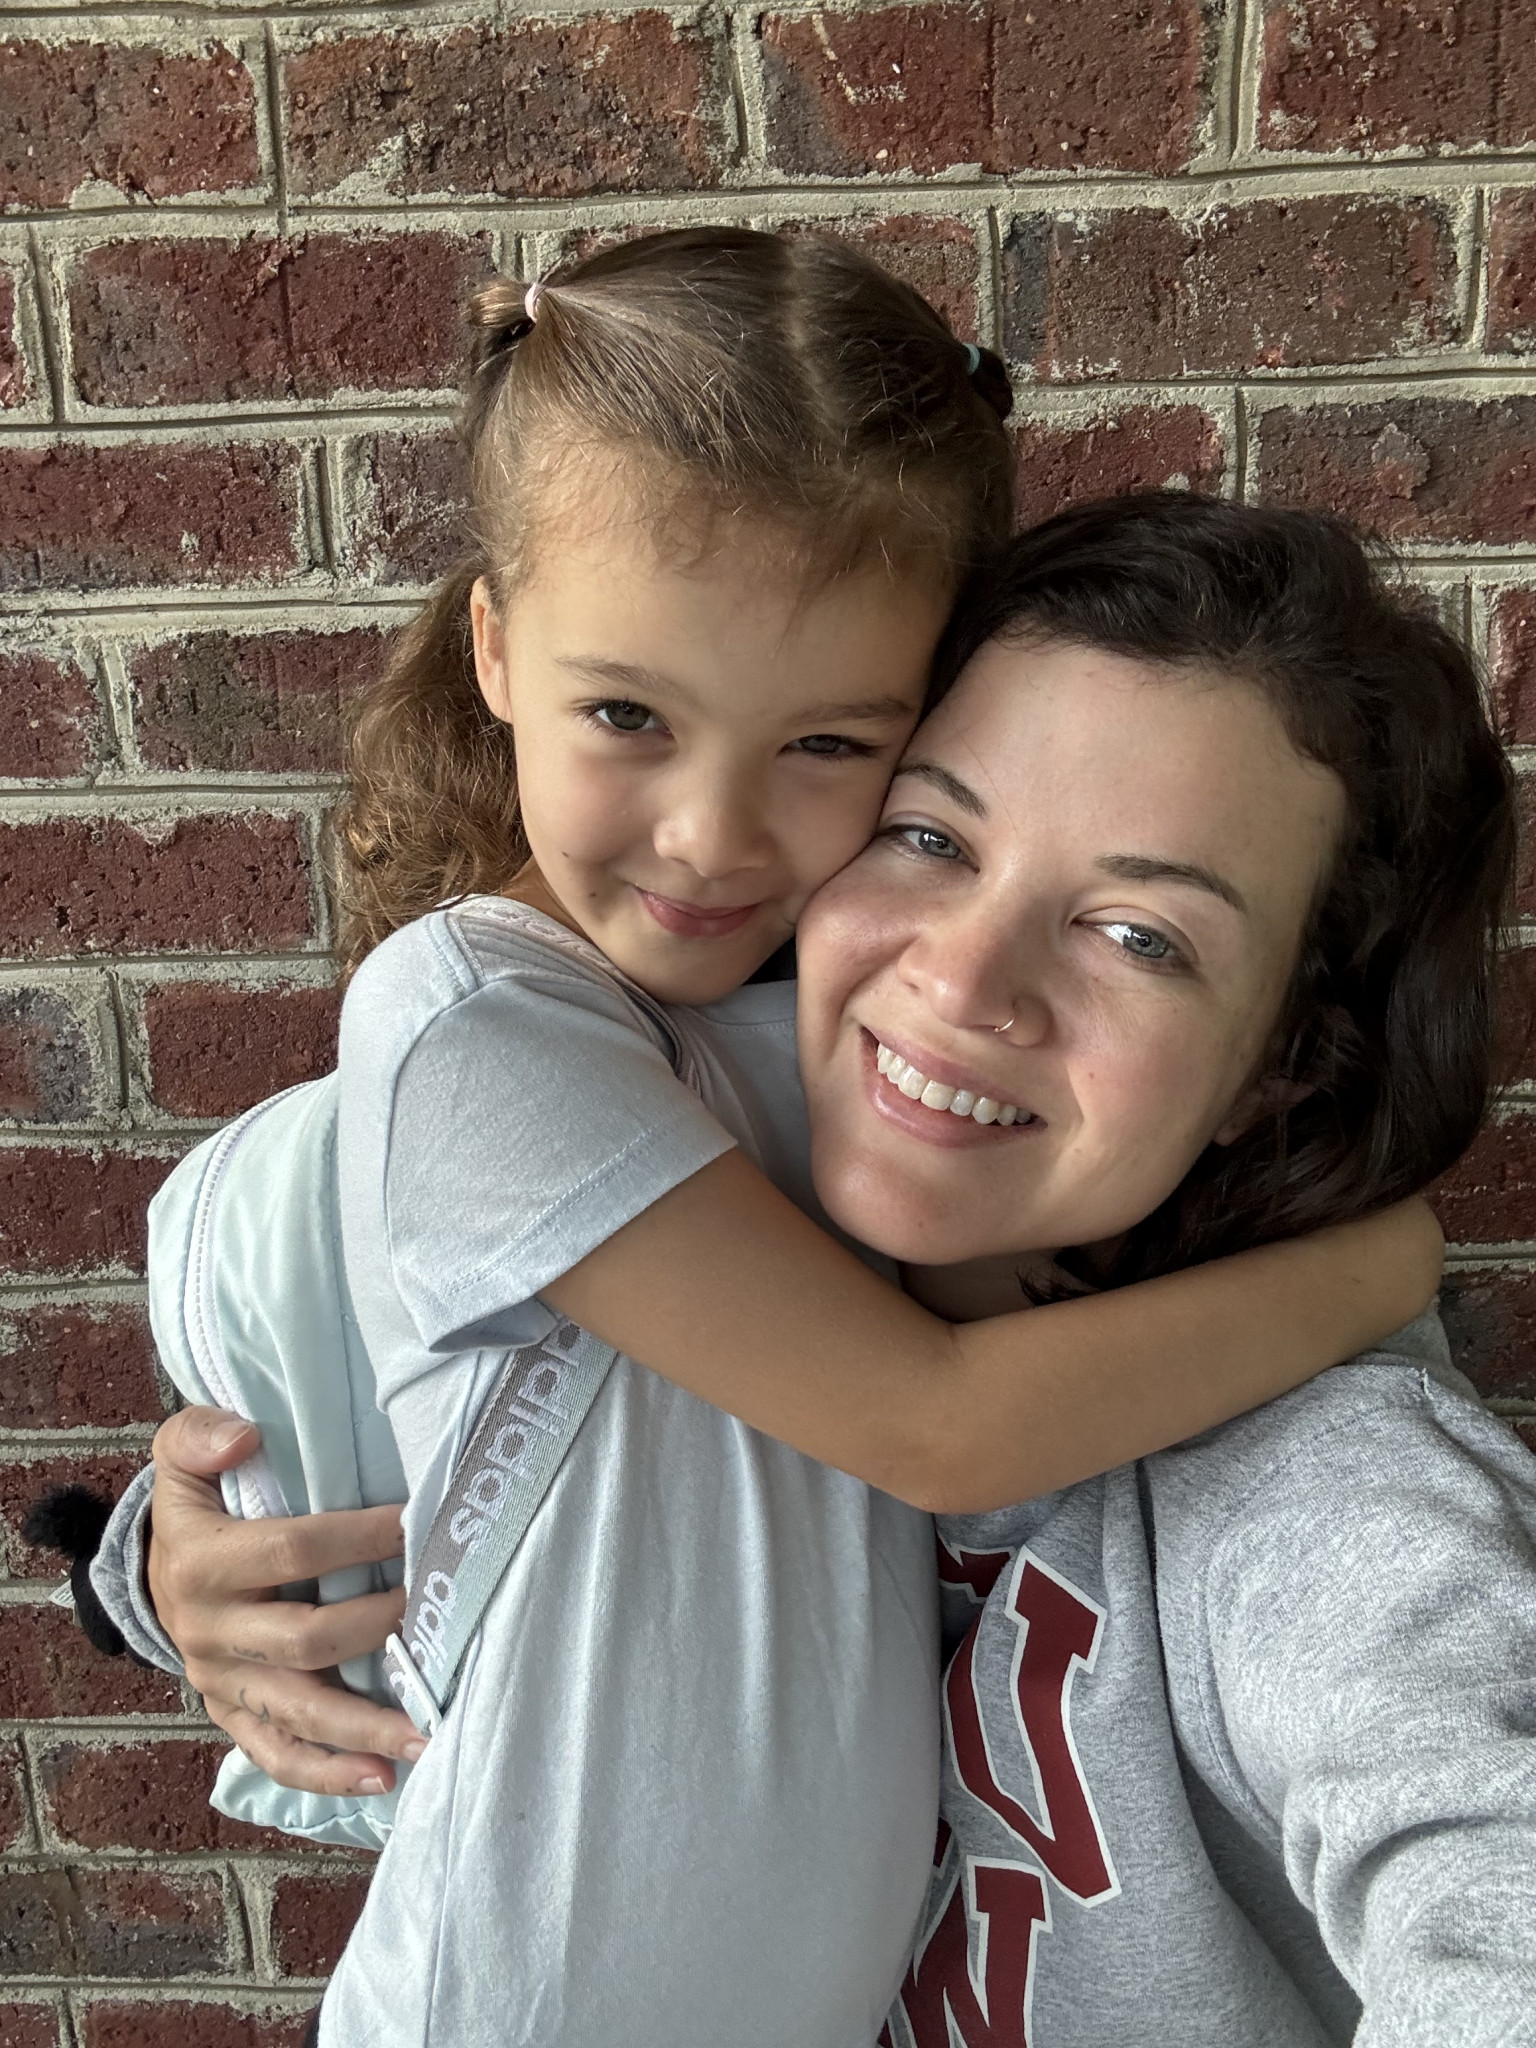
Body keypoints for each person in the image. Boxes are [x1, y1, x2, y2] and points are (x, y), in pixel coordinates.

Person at [86, 227, 1443, 2045]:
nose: (716, 838)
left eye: (831, 747)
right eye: (628, 716)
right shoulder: (482, 1022)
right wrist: (1379, 1269)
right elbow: (917, 1424)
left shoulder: (843, 1026)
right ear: (495, 650)